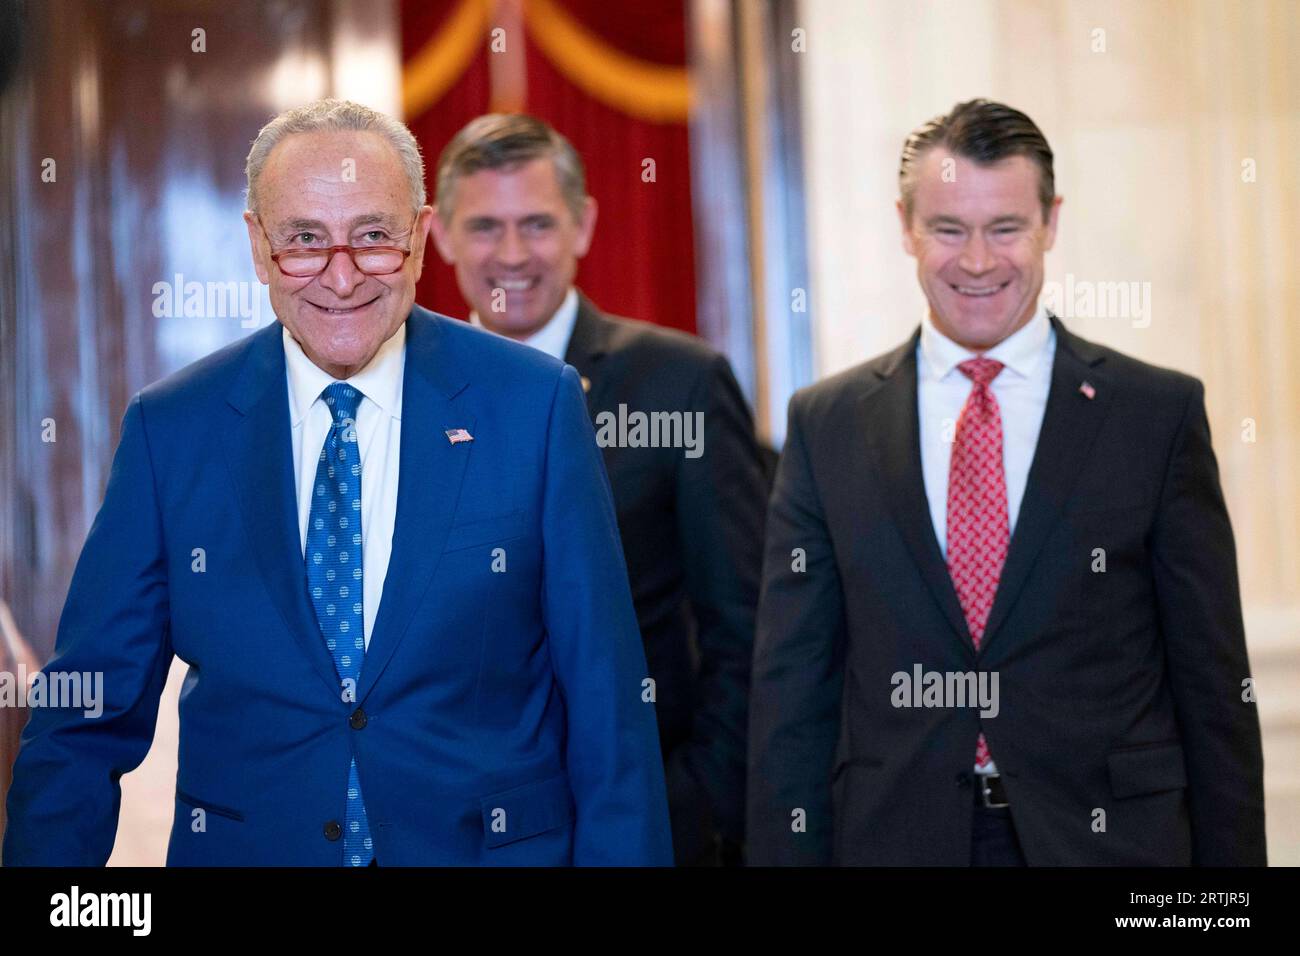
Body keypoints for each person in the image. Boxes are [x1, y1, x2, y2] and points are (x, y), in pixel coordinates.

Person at [3, 99, 672, 866]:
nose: (343, 275)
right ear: (258, 246)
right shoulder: (173, 430)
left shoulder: (534, 406)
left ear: (420, 239)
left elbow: (609, 711)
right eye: (305, 241)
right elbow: (84, 717)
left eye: (374, 237)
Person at [747, 99, 1266, 866]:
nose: (979, 262)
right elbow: (793, 694)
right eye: (949, 229)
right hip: (897, 839)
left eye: (1006, 228)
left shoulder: (1154, 415)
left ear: (1051, 222)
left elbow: (1214, 687)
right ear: (906, 227)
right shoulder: (829, 426)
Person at [431, 114, 766, 865]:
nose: (512, 255)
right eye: (484, 226)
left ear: (582, 225)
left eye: (538, 224)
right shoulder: (405, 393)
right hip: (452, 826)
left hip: (641, 819)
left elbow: (745, 627)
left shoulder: (680, 383)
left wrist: (694, 803)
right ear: (441, 235)